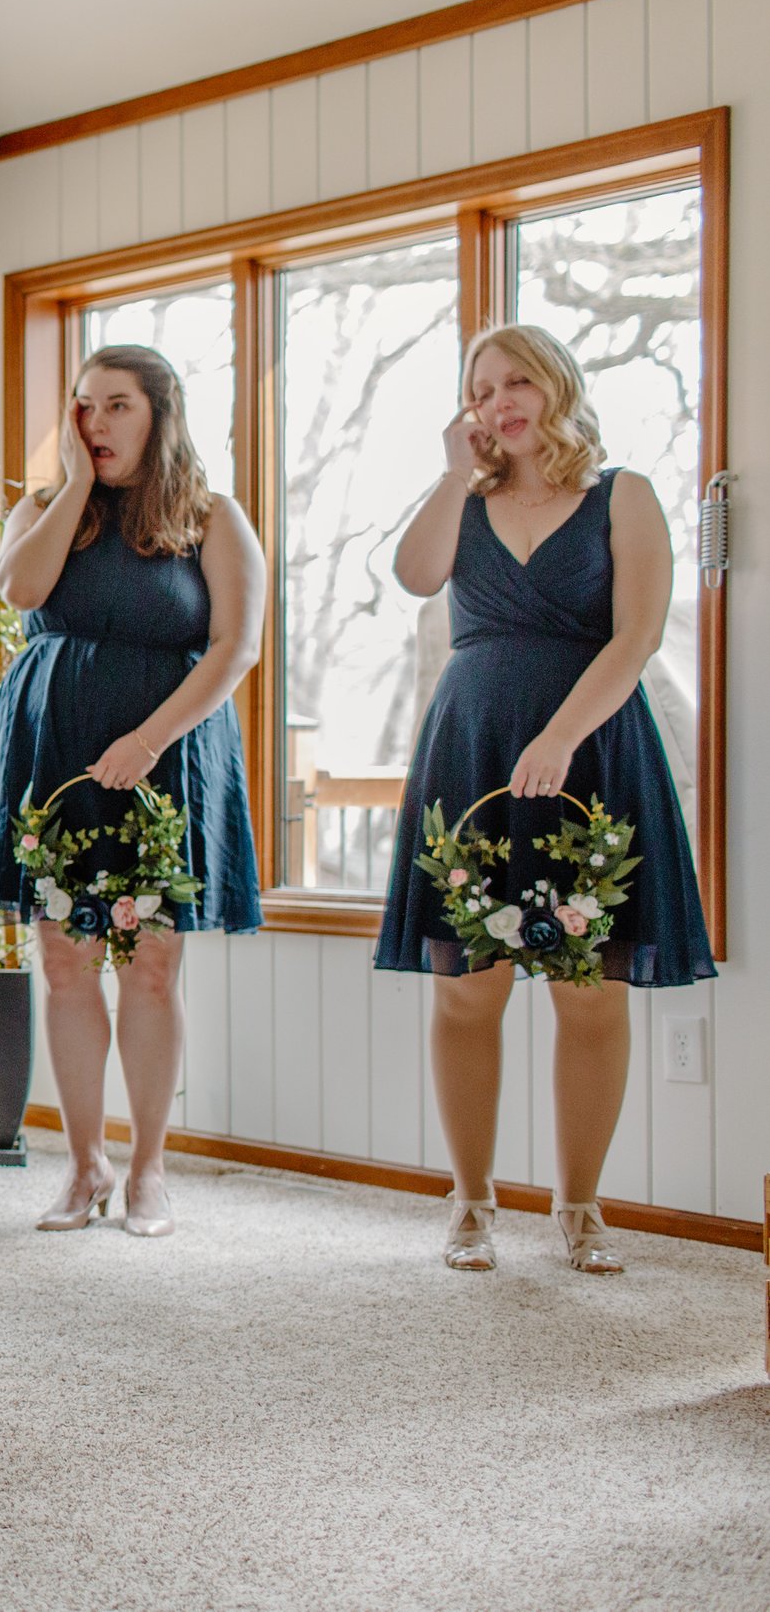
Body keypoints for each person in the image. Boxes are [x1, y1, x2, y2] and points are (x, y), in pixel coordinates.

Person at [375, 323, 712, 1275]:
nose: (500, 400)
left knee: (591, 996)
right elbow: (413, 577)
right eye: (482, 388)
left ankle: (580, 1209)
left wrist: (563, 736)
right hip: (471, 755)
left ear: (558, 384)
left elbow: (637, 636)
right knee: (466, 997)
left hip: (593, 751)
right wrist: (452, 473)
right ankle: (472, 1203)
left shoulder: (624, 496)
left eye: (518, 379)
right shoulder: (466, 502)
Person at [0, 344, 265, 1238]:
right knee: (65, 962)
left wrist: (149, 739)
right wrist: (68, 484)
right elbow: (18, 586)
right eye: (83, 406)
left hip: (165, 758)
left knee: (151, 961)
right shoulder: (45, 506)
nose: (95, 422)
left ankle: (147, 1171)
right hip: (52, 751)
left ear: (159, 416)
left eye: (117, 406)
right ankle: (84, 1164)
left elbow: (235, 649)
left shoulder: (213, 517)